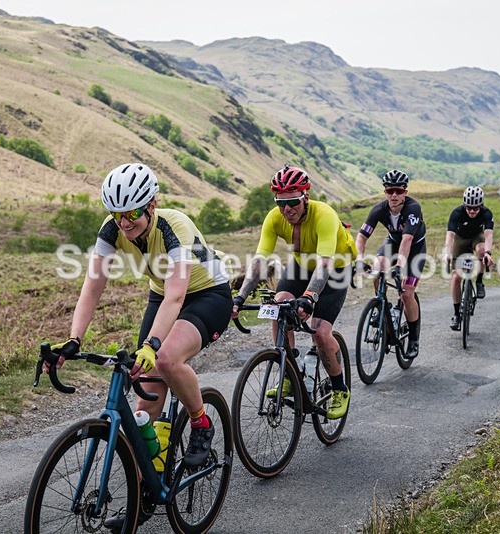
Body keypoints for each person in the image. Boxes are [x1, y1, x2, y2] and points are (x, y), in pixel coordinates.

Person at [45, 163, 232, 530]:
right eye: (116, 214)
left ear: (151, 205)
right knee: (145, 405)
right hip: (161, 296)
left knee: (163, 358)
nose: (124, 222)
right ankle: (147, 490)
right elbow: (93, 283)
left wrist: (151, 344)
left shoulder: (173, 226)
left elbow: (178, 296)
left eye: (131, 213)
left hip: (207, 294)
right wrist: (74, 339)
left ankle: (201, 422)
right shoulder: (112, 228)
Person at [231, 165, 356, 419]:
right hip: (301, 266)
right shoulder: (275, 218)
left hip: (335, 269)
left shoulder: (324, 215)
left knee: (320, 332)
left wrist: (309, 297)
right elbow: (259, 262)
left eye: (293, 201)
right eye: (281, 203)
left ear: (306, 196)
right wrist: (239, 298)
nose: (287, 209)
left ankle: (339, 388)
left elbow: (324, 265)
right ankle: (289, 372)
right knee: (279, 307)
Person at [354, 169, 425, 359]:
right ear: (385, 192)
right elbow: (361, 236)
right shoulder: (379, 209)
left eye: (399, 191)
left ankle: (414, 339)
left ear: (405, 193)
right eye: (390, 191)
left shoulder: (413, 209)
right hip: (393, 242)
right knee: (378, 268)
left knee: (407, 293)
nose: (394, 195)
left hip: (415, 248)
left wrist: (400, 267)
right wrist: (359, 259)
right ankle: (381, 304)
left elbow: (407, 240)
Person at [442, 186, 494, 331]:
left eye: (476, 208)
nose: (472, 211)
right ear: (464, 205)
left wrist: (488, 253)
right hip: (461, 239)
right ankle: (456, 314)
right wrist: (448, 253)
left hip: (477, 237)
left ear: (481, 206)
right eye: (469, 207)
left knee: (482, 251)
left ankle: (479, 281)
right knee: (456, 278)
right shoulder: (457, 213)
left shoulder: (486, 213)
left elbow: (489, 234)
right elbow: (450, 236)